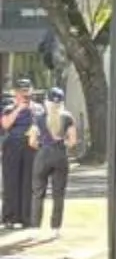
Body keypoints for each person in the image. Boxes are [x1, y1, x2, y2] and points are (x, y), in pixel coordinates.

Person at [28, 88, 75, 235]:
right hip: (60, 155)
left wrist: (41, 145)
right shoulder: (67, 117)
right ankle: (56, 228)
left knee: (37, 192)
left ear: (46, 101)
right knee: (58, 194)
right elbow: (72, 141)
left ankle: (35, 227)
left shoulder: (38, 117)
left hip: (43, 154)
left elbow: (32, 141)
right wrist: (62, 144)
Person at [0, 79, 36, 229]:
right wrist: (18, 109)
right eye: (21, 91)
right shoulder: (9, 107)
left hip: (30, 146)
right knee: (11, 181)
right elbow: (5, 124)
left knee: (28, 182)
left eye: (27, 90)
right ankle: (9, 216)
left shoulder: (37, 108)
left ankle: (26, 217)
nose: (24, 93)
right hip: (12, 145)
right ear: (16, 93)